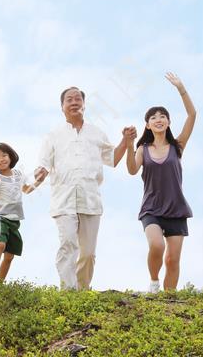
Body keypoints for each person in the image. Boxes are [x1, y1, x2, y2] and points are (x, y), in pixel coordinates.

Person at [34, 86, 134, 290]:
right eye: (69, 99)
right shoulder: (53, 136)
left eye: (77, 99)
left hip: (90, 200)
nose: (74, 102)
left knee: (88, 253)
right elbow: (43, 164)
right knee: (68, 244)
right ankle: (68, 291)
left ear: (84, 104)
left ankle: (82, 290)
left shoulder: (97, 133)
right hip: (64, 200)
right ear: (62, 107)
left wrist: (125, 141)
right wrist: (41, 172)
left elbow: (113, 159)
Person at [125, 72, 196, 293]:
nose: (158, 119)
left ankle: (169, 300)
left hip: (176, 208)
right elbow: (132, 170)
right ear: (147, 125)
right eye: (153, 117)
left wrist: (181, 88)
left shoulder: (177, 146)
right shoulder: (143, 149)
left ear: (168, 122)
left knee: (172, 260)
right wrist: (129, 145)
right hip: (152, 208)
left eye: (162, 116)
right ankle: (154, 282)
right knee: (156, 245)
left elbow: (192, 115)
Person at [0, 142, 39, 286]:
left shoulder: (18, 174)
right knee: (0, 245)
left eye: (4, 155)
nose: (1, 159)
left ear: (10, 157)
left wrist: (39, 180)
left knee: (9, 256)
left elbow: (26, 189)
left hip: (14, 221)